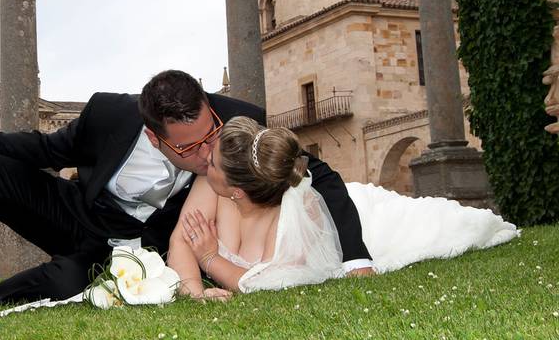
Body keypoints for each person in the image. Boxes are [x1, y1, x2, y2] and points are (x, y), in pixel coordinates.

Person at [0, 70, 372, 326]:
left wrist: (355, 258)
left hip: (137, 249)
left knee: (48, 290)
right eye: (189, 148)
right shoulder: (109, 114)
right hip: (77, 214)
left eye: (210, 135)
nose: (206, 154)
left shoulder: (242, 123)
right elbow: (45, 147)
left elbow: (314, 175)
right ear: (153, 134)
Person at [169, 117, 517, 297]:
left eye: (212, 163)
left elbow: (273, 282)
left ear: (238, 190)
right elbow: (181, 240)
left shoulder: (292, 222)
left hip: (359, 219)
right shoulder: (209, 185)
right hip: (313, 200)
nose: (203, 163)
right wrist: (196, 292)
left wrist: (211, 259)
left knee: (447, 226)